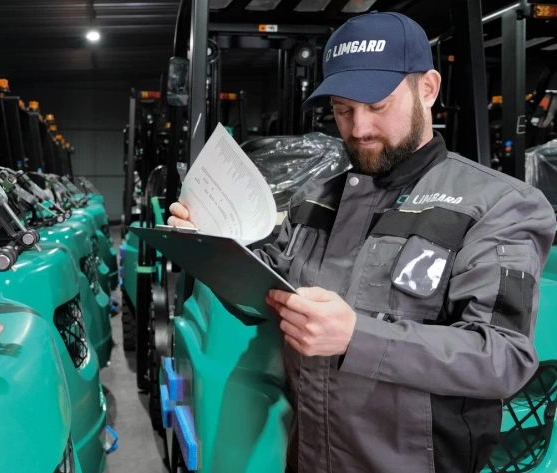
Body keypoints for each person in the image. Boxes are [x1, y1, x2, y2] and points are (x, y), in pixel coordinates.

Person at [167, 11, 557, 473]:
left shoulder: (500, 206)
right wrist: (211, 245)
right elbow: (265, 293)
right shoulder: (315, 199)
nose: (359, 129)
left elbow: (504, 358)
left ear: (428, 88)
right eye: (343, 110)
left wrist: (357, 338)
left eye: (378, 106)